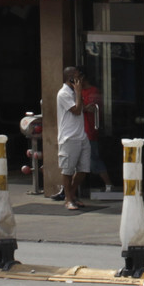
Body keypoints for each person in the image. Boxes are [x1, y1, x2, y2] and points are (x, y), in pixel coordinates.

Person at [55, 66, 89, 210]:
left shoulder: (74, 92)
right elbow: (75, 110)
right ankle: (68, 199)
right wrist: (78, 92)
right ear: (70, 78)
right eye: (77, 76)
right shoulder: (63, 93)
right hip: (69, 137)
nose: (80, 78)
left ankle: (73, 194)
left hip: (81, 135)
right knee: (67, 171)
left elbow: (81, 108)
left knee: (84, 169)